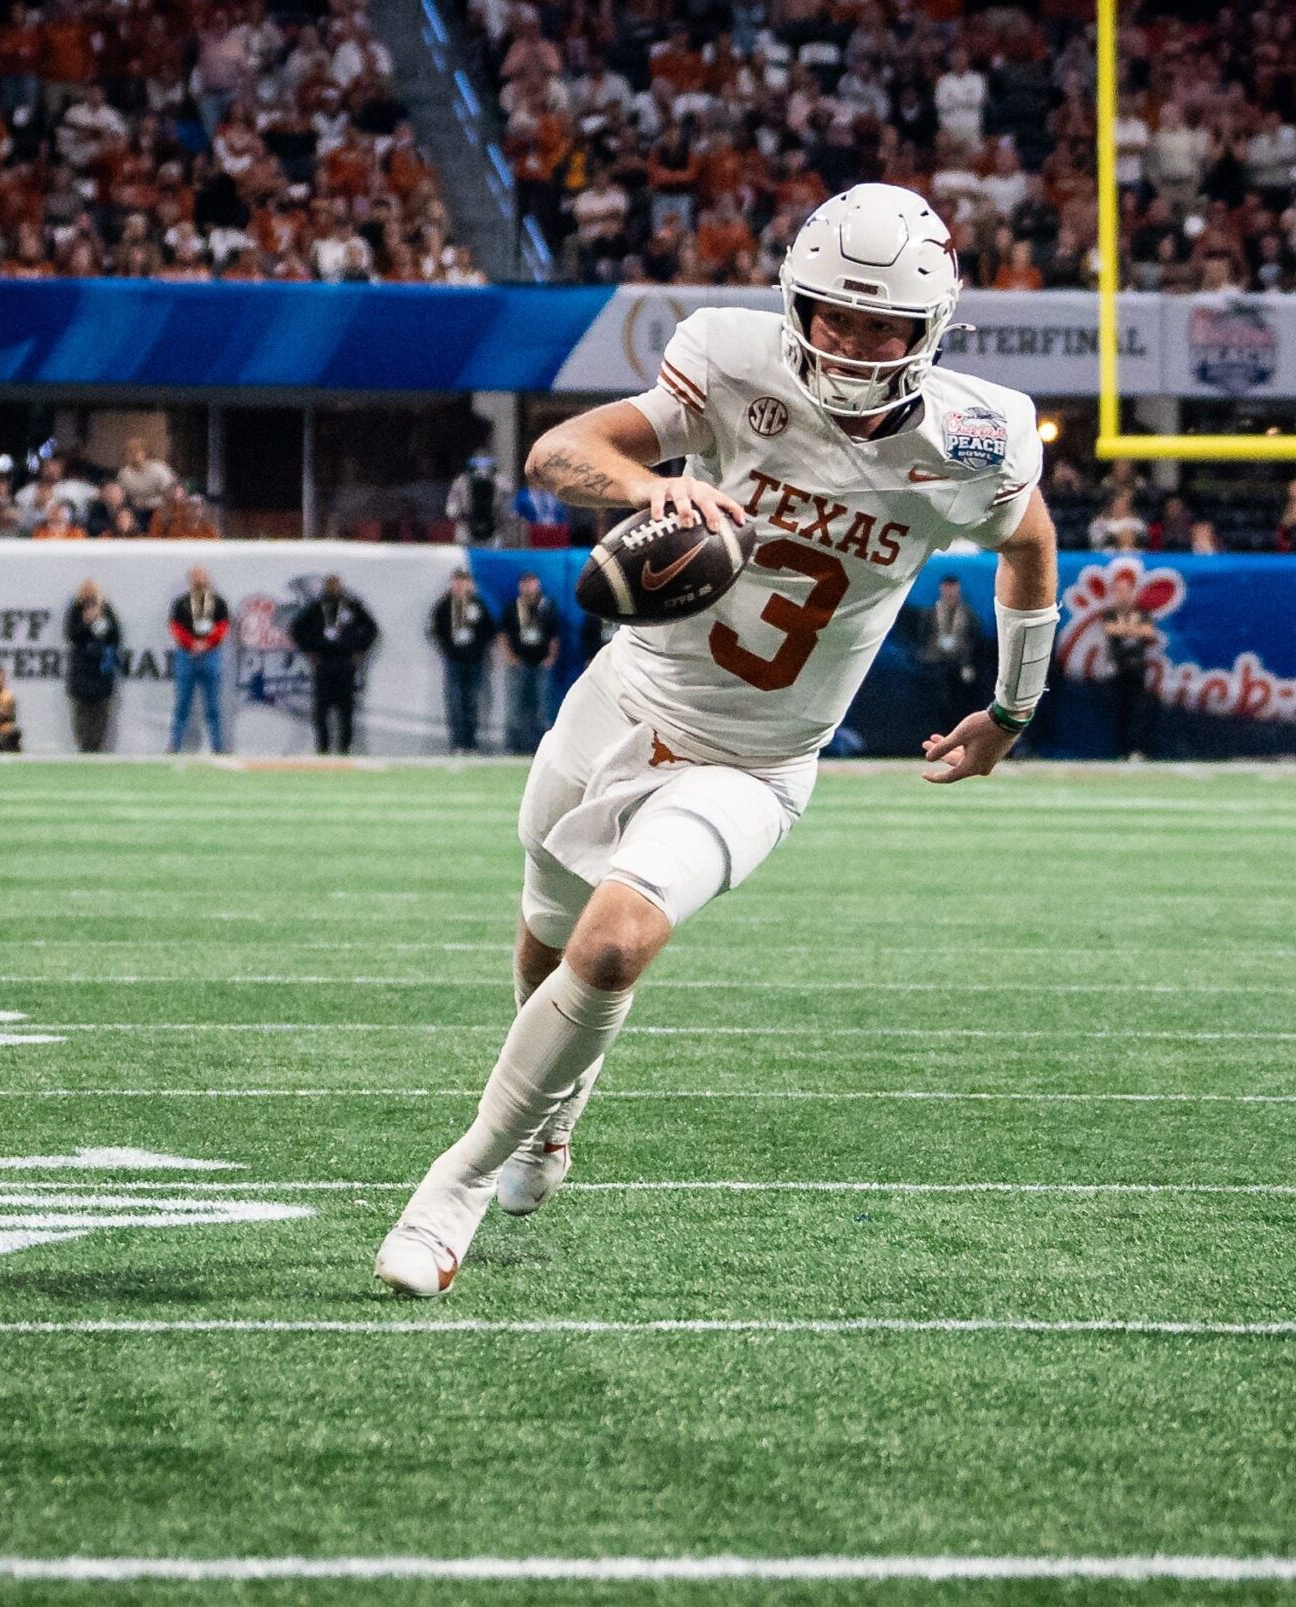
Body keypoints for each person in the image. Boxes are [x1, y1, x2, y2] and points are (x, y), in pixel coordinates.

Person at [376, 183, 1058, 1298]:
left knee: (610, 948)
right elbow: (559, 450)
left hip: (756, 757)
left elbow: (1027, 549)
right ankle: (550, 1118)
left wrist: (1013, 708)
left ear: (927, 333)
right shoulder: (734, 363)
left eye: (881, 324)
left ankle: (453, 1181)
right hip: (622, 701)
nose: (849, 341)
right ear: (794, 302)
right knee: (547, 937)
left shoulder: (975, 437)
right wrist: (652, 487)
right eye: (831, 314)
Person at [289, 572, 381, 755]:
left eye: (336, 585)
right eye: (330, 585)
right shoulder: (315, 607)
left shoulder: (351, 606)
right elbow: (296, 628)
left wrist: (359, 648)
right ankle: (322, 749)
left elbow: (372, 629)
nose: (333, 589)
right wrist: (310, 649)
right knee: (321, 710)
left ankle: (344, 749)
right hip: (324, 663)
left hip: (345, 663)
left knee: (346, 709)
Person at [431, 567, 496, 754]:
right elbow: (436, 631)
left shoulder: (478, 604)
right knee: (455, 703)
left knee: (472, 703)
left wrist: (481, 651)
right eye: (456, 582)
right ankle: (457, 743)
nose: (460, 586)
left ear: (469, 584)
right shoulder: (444, 605)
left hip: (475, 661)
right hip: (454, 660)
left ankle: (471, 743)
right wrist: (446, 650)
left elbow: (489, 630)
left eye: (463, 582)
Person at [168, 566, 230, 753]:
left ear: (208, 578)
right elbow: (175, 627)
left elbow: (223, 627)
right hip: (186, 655)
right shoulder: (181, 603)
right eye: (196, 577)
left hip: (211, 655)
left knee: (213, 706)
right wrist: (191, 644)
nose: (199, 580)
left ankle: (217, 746)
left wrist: (206, 643)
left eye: (202, 576)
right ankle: (174, 744)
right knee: (182, 704)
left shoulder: (218, 602)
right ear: (190, 580)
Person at [1101, 568, 1160, 759]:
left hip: (1138, 668)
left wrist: (1126, 629)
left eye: (1126, 590)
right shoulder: (1110, 613)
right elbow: (1111, 630)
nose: (1123, 595)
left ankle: (1137, 749)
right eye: (1119, 590)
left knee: (1138, 712)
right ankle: (1120, 750)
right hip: (1118, 668)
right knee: (1119, 711)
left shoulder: (1142, 612)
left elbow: (1149, 633)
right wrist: (1133, 628)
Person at [916, 574, 985, 733]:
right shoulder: (930, 613)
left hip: (958, 665)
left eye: (952, 586)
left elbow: (974, 640)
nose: (949, 590)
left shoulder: (967, 614)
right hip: (935, 664)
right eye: (946, 586)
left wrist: (969, 664)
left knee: (959, 703)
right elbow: (922, 637)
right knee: (935, 703)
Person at [502, 570, 561, 754]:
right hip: (518, 662)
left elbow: (554, 634)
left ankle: (540, 746)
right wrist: (509, 655)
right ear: (520, 586)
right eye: (525, 583)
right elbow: (503, 633)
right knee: (515, 705)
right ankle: (514, 745)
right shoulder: (512, 607)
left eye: (532, 583)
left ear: (538, 585)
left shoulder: (547, 606)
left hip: (541, 661)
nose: (529, 587)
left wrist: (551, 657)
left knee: (541, 705)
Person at [64, 578, 123, 752]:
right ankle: (84, 746)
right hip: (81, 668)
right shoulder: (75, 610)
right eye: (85, 591)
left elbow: (115, 636)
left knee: (100, 711)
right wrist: (86, 622)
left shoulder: (106, 610)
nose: (88, 594)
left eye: (92, 590)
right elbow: (71, 635)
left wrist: (100, 619)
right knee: (81, 711)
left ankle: (96, 747)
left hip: (101, 669)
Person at [446, 451, 508, 546]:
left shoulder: (501, 483)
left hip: (493, 531)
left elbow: (508, 512)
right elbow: (451, 510)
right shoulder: (461, 482)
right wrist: (461, 512)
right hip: (466, 530)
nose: (482, 473)